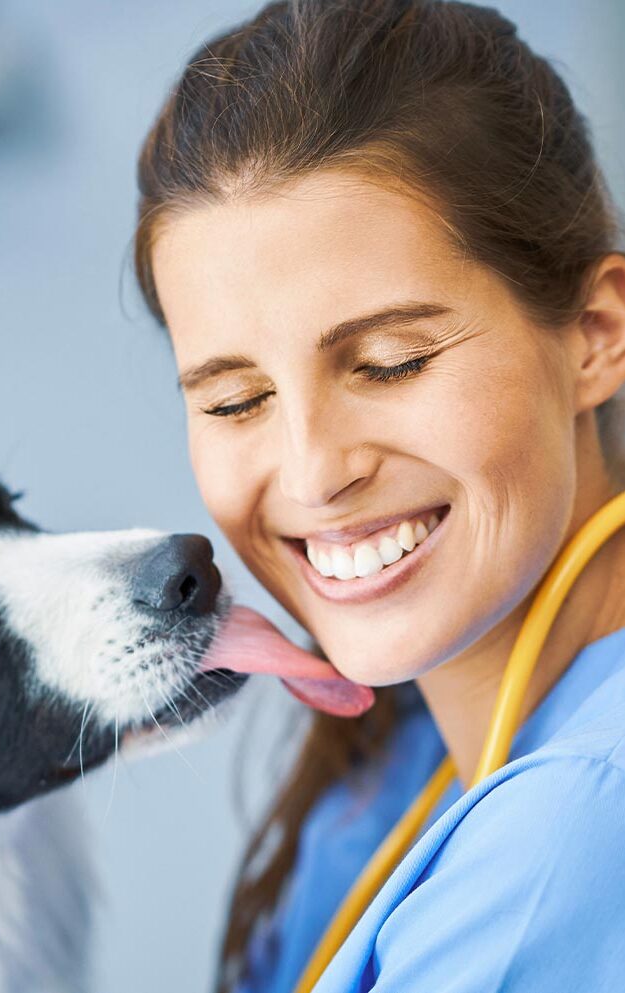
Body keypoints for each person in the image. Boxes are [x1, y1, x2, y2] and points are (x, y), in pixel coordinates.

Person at [133, 1, 625, 991]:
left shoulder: (582, 822)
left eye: (392, 364)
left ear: (595, 333)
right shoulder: (397, 762)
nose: (316, 472)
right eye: (238, 401)